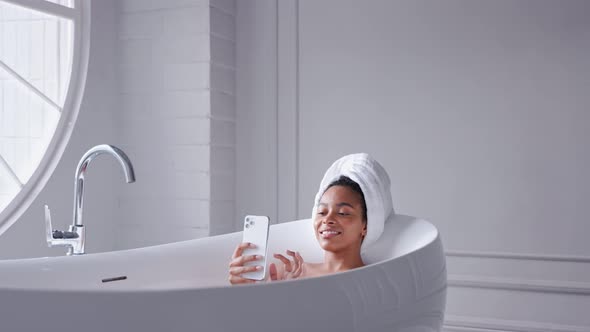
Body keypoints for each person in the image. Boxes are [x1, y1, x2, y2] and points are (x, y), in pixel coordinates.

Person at [228, 153, 393, 284]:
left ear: (365, 225)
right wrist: (241, 290)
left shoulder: (374, 281)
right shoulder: (285, 273)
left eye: (343, 212)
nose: (328, 219)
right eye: (322, 212)